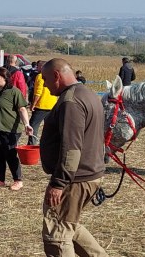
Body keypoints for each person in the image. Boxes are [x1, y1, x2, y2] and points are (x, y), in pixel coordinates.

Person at [39, 58, 107, 256]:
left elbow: (72, 148)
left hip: (74, 179)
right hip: (87, 174)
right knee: (69, 225)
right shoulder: (88, 94)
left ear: (57, 76)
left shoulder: (71, 101)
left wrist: (58, 183)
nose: (44, 83)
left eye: (45, 79)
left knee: (57, 234)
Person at [28, 60, 58, 145]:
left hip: (42, 105)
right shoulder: (52, 76)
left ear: (42, 67)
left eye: (38, 66)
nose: (37, 68)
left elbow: (38, 92)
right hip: (52, 105)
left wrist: (33, 104)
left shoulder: (40, 76)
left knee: (33, 125)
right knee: (49, 127)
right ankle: (48, 144)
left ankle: (32, 144)